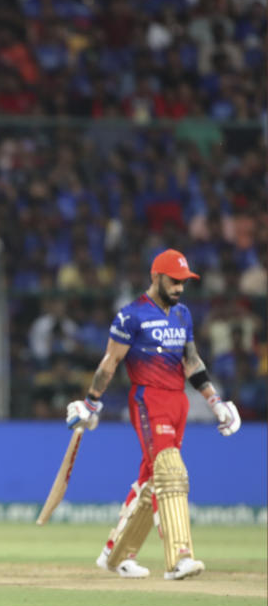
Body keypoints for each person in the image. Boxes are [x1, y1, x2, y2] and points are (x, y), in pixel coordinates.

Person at [66, 249, 242, 581]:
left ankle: (115, 553)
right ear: (156, 276)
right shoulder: (131, 316)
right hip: (148, 400)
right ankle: (179, 557)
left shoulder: (182, 314)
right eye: (174, 281)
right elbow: (110, 362)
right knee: (169, 471)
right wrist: (91, 402)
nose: (179, 288)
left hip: (178, 402)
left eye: (184, 282)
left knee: (150, 478)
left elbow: (192, 362)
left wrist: (215, 401)